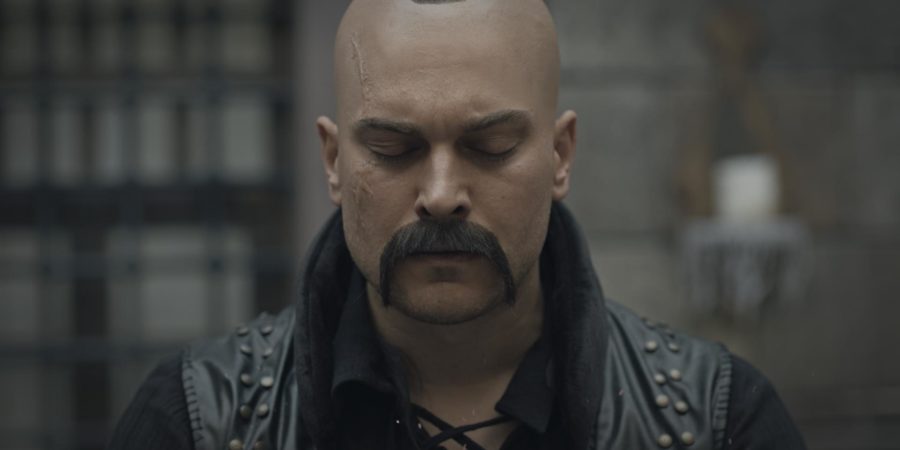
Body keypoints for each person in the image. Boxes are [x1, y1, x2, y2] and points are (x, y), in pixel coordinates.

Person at [109, 1, 807, 449]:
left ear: (560, 156)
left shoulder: (716, 420)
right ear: (333, 161)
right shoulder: (197, 421)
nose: (441, 195)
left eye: (490, 146)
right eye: (394, 148)